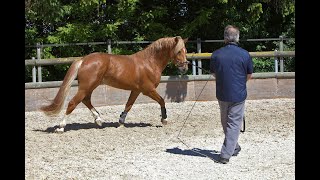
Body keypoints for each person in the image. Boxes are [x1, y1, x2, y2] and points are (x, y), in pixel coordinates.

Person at [210, 25, 253, 164]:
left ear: (225, 38)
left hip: (222, 93)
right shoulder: (245, 54)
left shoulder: (216, 54)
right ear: (238, 37)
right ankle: (229, 150)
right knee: (231, 123)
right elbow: (249, 74)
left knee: (227, 122)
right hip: (238, 94)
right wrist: (240, 83)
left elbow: (213, 74)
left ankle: (229, 151)